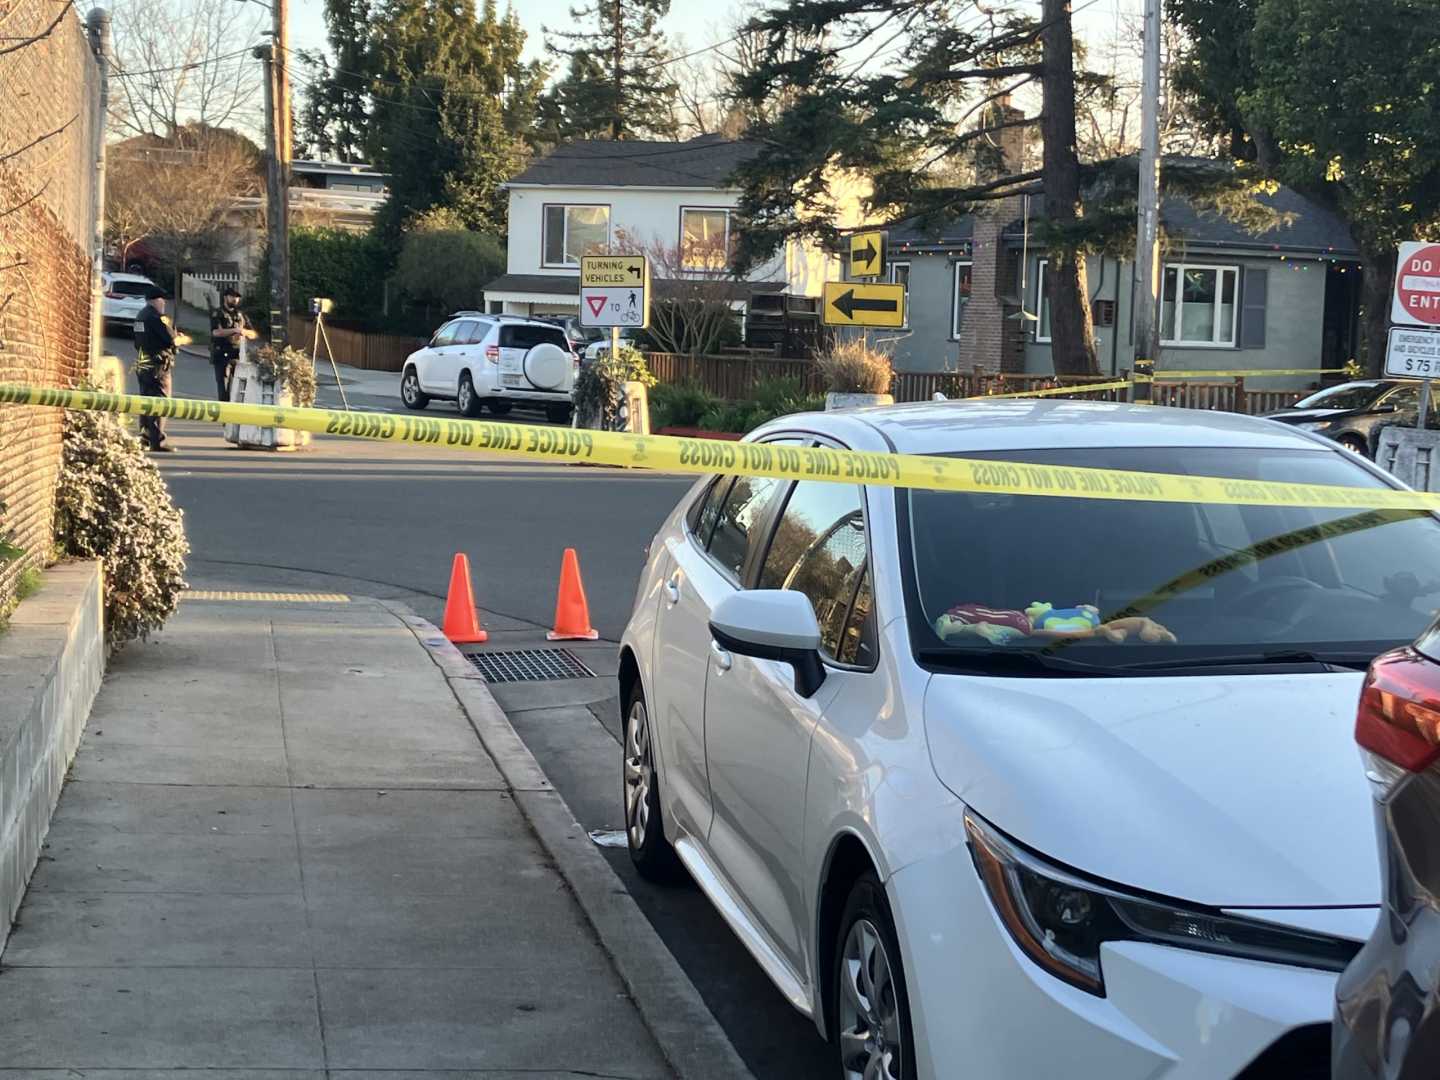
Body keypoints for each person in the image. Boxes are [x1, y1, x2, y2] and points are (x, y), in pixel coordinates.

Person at [134, 287, 190, 452]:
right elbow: (172, 340)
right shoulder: (158, 318)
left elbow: (137, 342)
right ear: (155, 300)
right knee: (161, 401)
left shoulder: (140, 316)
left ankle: (145, 437)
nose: (164, 302)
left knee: (146, 401)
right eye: (162, 300)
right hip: (158, 366)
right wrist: (181, 338)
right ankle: (157, 440)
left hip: (143, 362)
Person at [209, 286, 253, 401]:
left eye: (237, 297)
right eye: (232, 296)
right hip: (222, 354)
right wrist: (234, 330)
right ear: (225, 297)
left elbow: (253, 333)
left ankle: (233, 414)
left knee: (236, 388)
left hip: (237, 355)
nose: (235, 299)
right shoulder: (218, 313)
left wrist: (245, 332)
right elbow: (216, 332)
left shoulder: (241, 315)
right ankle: (225, 415)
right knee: (223, 387)